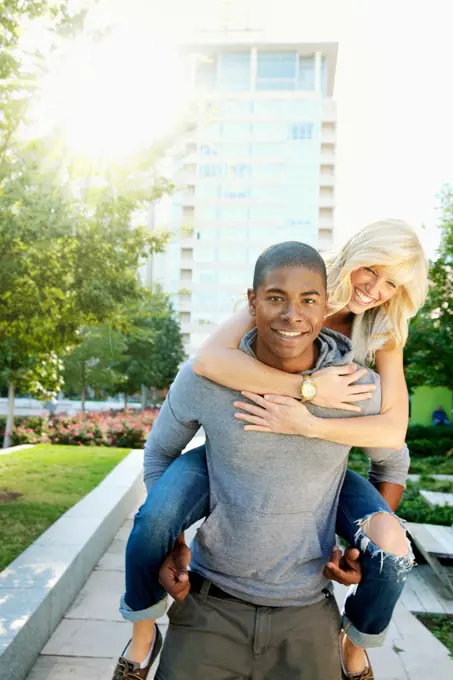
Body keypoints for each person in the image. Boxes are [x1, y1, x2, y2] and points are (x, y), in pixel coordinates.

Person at [113, 241, 414, 680]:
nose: (293, 314)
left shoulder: (358, 386)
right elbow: (161, 451)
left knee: (392, 545)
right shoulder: (210, 375)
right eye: (275, 298)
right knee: (152, 521)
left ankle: (357, 648)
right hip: (208, 609)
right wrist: (173, 536)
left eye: (308, 301)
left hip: (307, 617)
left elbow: (392, 454)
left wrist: (361, 548)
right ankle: (142, 638)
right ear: (252, 301)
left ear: (325, 304)